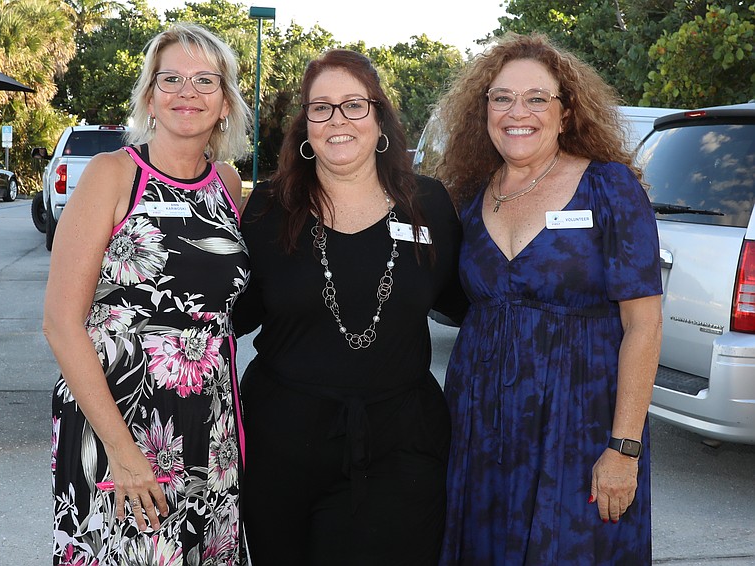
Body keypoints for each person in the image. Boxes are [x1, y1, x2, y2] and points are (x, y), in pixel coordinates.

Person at [435, 33, 662, 565]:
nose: (519, 112)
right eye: (502, 97)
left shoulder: (609, 189)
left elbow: (645, 326)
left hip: (581, 425)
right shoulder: (468, 198)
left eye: (537, 98)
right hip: (481, 430)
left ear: (566, 113)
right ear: (483, 109)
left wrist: (624, 448)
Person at [234, 49, 467, 565]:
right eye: (321, 108)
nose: (337, 120)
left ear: (379, 117)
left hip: (401, 445)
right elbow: (234, 310)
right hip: (283, 445)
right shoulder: (270, 207)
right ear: (305, 125)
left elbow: (472, 301)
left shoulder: (429, 205)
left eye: (353, 105)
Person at [43, 22, 251, 565]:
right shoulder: (111, 175)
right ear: (149, 97)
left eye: (206, 80)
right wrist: (124, 452)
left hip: (210, 420)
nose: (188, 92)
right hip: (120, 417)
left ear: (225, 103)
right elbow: (62, 323)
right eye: (172, 79)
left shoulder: (227, 184)